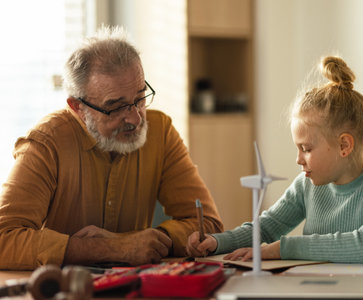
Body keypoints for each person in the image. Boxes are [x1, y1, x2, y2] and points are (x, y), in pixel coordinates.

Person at [0, 25, 223, 270]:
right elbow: (4, 238)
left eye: (140, 99)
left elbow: (208, 224)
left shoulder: (161, 131)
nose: (136, 119)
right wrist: (112, 248)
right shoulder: (46, 143)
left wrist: (148, 242)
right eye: (116, 107)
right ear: (77, 107)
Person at [186, 56, 363, 263]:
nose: (298, 160)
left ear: (344, 146)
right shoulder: (306, 185)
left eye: (306, 149)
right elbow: (266, 227)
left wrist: (279, 249)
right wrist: (217, 242)